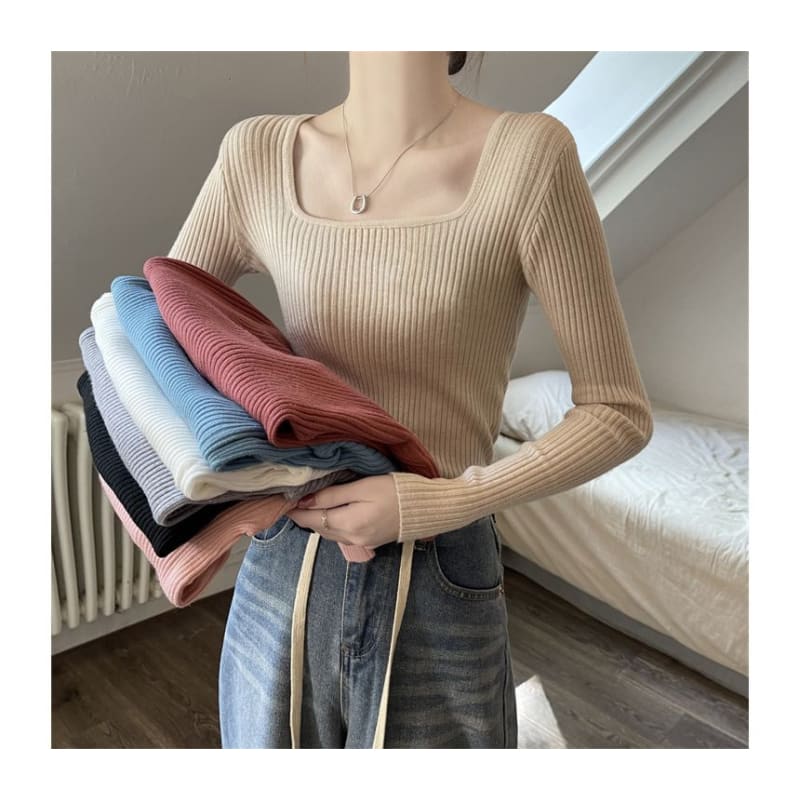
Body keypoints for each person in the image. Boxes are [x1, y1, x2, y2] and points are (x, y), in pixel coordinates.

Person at [166, 51, 654, 748]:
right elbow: (154, 340)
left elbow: (618, 410)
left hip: (440, 571)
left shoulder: (530, 157)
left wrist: (445, 500)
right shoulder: (256, 155)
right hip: (284, 560)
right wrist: (240, 480)